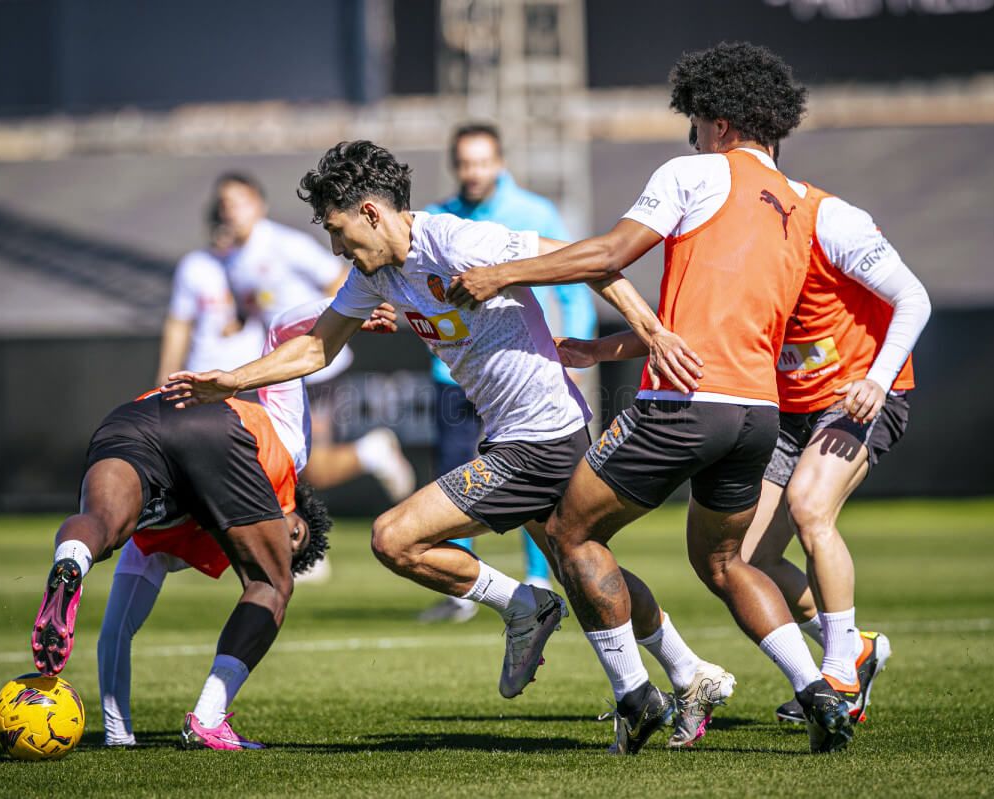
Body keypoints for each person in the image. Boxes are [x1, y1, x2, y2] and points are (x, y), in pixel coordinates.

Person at [164, 142, 735, 721]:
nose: (337, 249)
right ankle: (688, 675)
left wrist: (653, 332)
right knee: (581, 562)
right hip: (519, 434)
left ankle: (531, 615)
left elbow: (590, 261)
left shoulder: (456, 241)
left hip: (539, 440)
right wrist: (232, 379)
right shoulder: (376, 276)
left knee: (394, 538)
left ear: (370, 213)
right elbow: (316, 346)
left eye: (338, 232)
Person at [447, 43, 853, 755]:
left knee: (569, 533)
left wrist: (499, 273)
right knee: (728, 564)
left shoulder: (694, 173)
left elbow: (608, 256)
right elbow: (728, 318)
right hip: (757, 414)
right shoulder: (801, 204)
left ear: (720, 122)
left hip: (682, 405)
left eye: (696, 121)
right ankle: (819, 691)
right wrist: (607, 350)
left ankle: (638, 699)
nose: (692, 134)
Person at [30, 299, 394, 749]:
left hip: (134, 419)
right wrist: (345, 312)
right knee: (272, 583)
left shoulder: (172, 546)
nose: (285, 539)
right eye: (295, 534)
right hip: (215, 416)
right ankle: (208, 719)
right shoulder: (292, 452)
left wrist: (118, 737)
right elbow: (281, 330)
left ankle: (71, 562)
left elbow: (114, 634)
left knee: (101, 525)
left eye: (290, 548)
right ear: (295, 511)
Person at [738, 178, 931, 725]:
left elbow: (913, 298)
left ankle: (839, 672)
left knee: (809, 506)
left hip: (858, 396)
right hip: (785, 409)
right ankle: (855, 648)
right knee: (748, 556)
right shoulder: (723, 231)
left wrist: (877, 379)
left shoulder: (829, 218)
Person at [419, 122, 598, 623]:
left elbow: (575, 285)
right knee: (454, 478)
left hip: (523, 376)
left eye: (482, 161)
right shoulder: (436, 218)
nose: (473, 172)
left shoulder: (534, 213)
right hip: (451, 376)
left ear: (499, 163)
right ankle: (463, 586)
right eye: (464, 163)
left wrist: (575, 353)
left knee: (534, 481)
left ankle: (539, 578)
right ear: (455, 165)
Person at [156, 172, 414, 509]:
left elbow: (337, 278)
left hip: (318, 362)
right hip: (285, 366)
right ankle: (300, 540)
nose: (230, 212)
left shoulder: (284, 244)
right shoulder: (235, 259)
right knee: (287, 459)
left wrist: (342, 322)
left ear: (259, 206)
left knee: (304, 463)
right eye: (224, 205)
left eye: (239, 203)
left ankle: (371, 455)